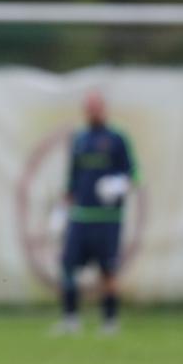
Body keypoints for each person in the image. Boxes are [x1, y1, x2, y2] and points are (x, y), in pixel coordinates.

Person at [57, 91, 137, 335]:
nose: (92, 112)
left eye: (96, 107)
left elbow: (134, 174)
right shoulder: (80, 139)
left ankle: (110, 321)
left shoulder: (117, 138)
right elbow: (72, 178)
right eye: (89, 107)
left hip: (107, 219)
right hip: (81, 216)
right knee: (68, 265)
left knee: (108, 270)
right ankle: (70, 320)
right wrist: (62, 210)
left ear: (104, 109)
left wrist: (118, 185)